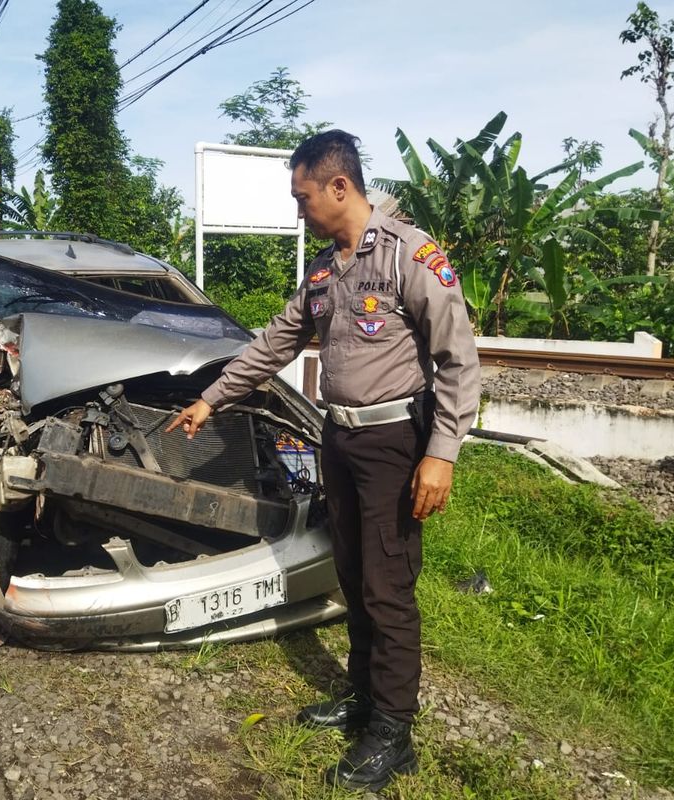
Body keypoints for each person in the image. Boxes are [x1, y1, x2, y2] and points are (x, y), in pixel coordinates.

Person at [165, 129, 480, 792]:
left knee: (388, 589)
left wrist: (442, 454)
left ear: (340, 186)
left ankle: (393, 734)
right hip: (338, 439)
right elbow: (275, 342)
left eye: (303, 196)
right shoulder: (325, 270)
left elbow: (457, 358)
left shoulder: (409, 255)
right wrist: (211, 398)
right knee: (353, 573)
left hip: (396, 444)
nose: (298, 208)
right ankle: (364, 701)